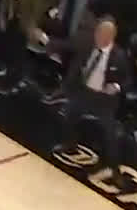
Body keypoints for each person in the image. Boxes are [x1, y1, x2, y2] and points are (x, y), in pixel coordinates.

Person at [52, 19, 131, 174]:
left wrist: (116, 87)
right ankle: (69, 144)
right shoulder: (88, 43)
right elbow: (68, 45)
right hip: (85, 91)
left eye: (101, 35)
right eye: (97, 33)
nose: (97, 37)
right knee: (69, 114)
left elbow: (129, 80)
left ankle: (113, 165)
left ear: (110, 37)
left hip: (104, 100)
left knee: (110, 132)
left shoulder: (119, 56)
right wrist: (48, 42)